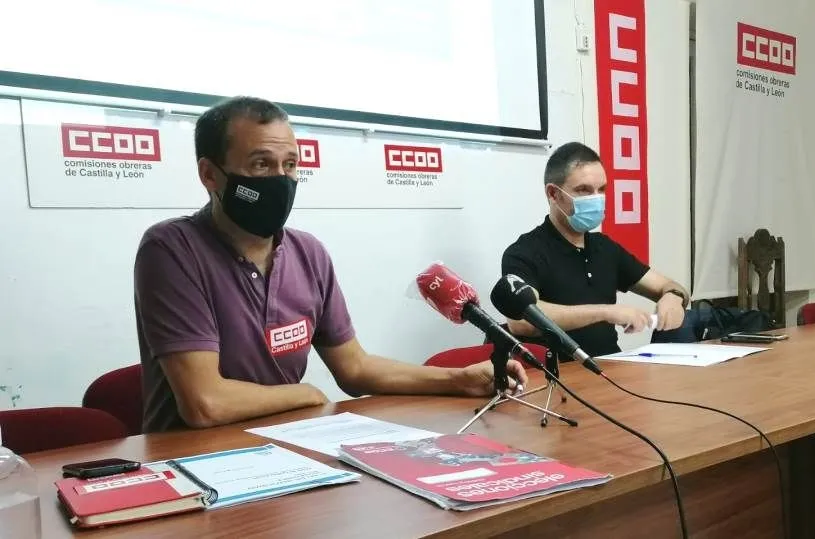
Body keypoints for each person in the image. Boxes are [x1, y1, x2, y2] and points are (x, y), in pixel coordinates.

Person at [134, 96, 527, 433]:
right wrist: (306, 394)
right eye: (260, 165)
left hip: (286, 449)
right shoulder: (171, 249)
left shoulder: (308, 254)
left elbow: (354, 367)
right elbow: (206, 403)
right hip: (191, 467)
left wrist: (459, 380)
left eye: (289, 165)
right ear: (209, 174)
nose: (280, 179)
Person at [500, 141, 690, 357]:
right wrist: (606, 312)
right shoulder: (524, 252)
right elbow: (523, 319)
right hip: (557, 377)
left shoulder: (605, 248)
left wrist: (673, 297)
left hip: (611, 369)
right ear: (553, 194)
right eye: (583, 190)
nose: (596, 199)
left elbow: (671, 286)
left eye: (602, 190)